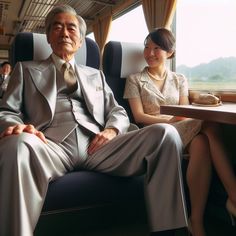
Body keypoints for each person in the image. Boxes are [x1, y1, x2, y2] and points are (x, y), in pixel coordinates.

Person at [0, 5, 188, 236]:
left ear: (80, 41)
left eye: (71, 28)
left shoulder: (95, 74)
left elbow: (117, 111)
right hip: (49, 146)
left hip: (98, 146)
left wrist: (111, 130)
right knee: (16, 145)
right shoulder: (25, 70)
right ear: (49, 37)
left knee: (166, 134)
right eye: (57, 27)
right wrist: (17, 127)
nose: (64, 32)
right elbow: (6, 111)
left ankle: (169, 231)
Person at [124, 28, 236, 236]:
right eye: (147, 47)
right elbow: (139, 117)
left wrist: (179, 118)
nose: (149, 53)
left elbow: (184, 110)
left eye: (156, 48)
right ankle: (233, 197)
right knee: (209, 124)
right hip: (154, 133)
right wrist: (169, 120)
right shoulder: (135, 80)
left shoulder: (179, 79)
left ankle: (195, 220)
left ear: (170, 52)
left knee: (202, 142)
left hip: (181, 129)